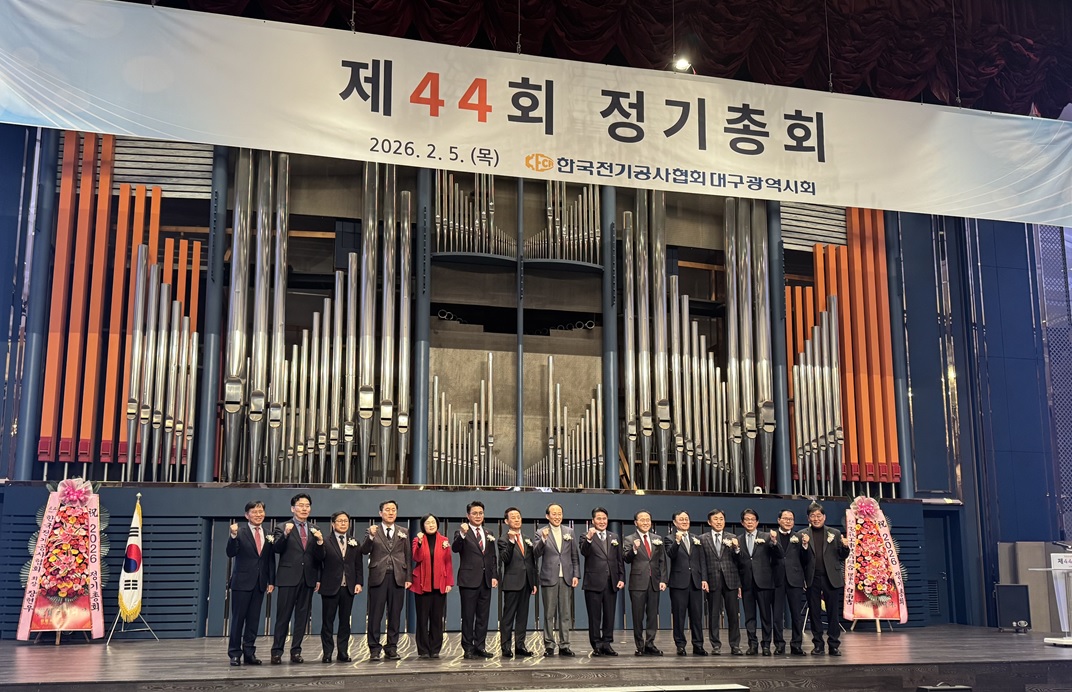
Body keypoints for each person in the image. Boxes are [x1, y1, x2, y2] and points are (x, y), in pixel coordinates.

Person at [270, 493, 325, 664]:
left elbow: (319, 557)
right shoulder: (282, 527)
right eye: (301, 505)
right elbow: (276, 549)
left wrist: (320, 542)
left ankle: (296, 651)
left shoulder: (315, 529)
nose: (304, 509)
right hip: (288, 578)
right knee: (283, 616)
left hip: (307, 578)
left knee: (301, 617)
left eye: (307, 505)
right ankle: (277, 652)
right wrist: (286, 535)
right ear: (293, 508)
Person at [360, 499, 411, 661]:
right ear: (380, 513)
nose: (390, 512)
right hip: (378, 576)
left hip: (398, 576)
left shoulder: (403, 531)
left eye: (393, 510)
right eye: (387, 510)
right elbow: (364, 550)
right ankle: (374, 648)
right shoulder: (372, 530)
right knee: (375, 614)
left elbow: (408, 555)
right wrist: (370, 536)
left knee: (395, 614)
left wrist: (408, 577)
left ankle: (392, 647)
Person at [226, 500, 275, 666]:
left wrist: (271, 580)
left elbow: (269, 560)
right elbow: (230, 552)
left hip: (260, 583)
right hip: (241, 583)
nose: (258, 514)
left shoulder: (268, 534)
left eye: (261, 511)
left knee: (253, 621)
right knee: (238, 620)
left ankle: (249, 653)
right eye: (254, 512)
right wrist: (232, 536)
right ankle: (234, 653)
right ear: (247, 515)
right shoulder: (240, 532)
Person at [532, 502, 579, 657]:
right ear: (547, 516)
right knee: (549, 614)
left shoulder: (569, 532)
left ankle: (564, 645)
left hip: (566, 577)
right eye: (554, 514)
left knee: (565, 613)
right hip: (549, 577)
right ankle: (549, 645)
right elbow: (535, 553)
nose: (557, 516)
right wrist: (543, 539)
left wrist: (576, 574)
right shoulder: (540, 532)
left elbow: (574, 555)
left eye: (559, 513)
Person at [804, 501, 851, 656]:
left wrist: (845, 547)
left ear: (824, 517)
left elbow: (842, 556)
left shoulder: (834, 533)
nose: (816, 518)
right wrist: (804, 546)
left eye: (819, 515)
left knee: (832, 613)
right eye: (813, 516)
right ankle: (818, 644)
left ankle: (834, 645)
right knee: (814, 613)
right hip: (812, 578)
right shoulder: (802, 535)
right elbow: (801, 559)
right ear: (808, 518)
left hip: (831, 577)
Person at [453, 500, 498, 659]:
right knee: (468, 616)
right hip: (468, 580)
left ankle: (480, 646)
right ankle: (468, 648)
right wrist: (462, 534)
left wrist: (494, 575)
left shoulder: (489, 532)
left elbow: (492, 557)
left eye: (480, 513)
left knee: (483, 616)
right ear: (468, 515)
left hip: (485, 580)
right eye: (474, 513)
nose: (478, 516)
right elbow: (455, 548)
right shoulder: (461, 532)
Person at [318, 511, 363, 663]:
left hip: (348, 587)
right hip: (330, 587)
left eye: (345, 521)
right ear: (333, 524)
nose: (343, 524)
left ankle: (343, 652)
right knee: (327, 622)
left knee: (345, 622)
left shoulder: (354, 542)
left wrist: (359, 582)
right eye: (339, 521)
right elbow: (319, 562)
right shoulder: (325, 541)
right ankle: (327, 653)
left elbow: (358, 565)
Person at [579, 506, 624, 657]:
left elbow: (619, 559)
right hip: (593, 582)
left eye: (604, 518)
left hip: (611, 582)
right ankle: (596, 644)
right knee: (594, 616)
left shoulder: (614, 536)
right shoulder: (586, 536)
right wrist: (589, 538)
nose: (602, 521)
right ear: (593, 520)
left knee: (609, 615)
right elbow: (584, 552)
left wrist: (621, 577)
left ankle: (607, 643)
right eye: (599, 518)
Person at [736, 508, 781, 656]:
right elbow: (737, 563)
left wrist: (774, 542)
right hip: (747, 583)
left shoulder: (767, 537)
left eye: (752, 519)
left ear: (757, 522)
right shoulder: (738, 540)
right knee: (749, 617)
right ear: (742, 522)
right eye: (747, 519)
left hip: (764, 582)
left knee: (766, 616)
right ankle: (752, 645)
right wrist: (736, 550)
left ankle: (766, 645)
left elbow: (778, 555)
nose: (750, 522)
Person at [409, 513, 454, 659]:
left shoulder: (444, 541)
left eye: (433, 522)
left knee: (437, 618)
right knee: (422, 619)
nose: (431, 525)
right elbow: (417, 557)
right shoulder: (417, 539)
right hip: (421, 585)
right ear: (423, 525)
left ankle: (435, 649)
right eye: (428, 522)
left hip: (440, 584)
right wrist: (420, 543)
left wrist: (449, 582)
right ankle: (423, 649)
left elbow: (448, 562)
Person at [699, 508, 742, 655]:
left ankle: (735, 645)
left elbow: (738, 561)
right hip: (712, 580)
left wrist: (736, 548)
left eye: (721, 519)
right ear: (709, 522)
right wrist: (704, 579)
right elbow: (702, 562)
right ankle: (715, 645)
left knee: (733, 614)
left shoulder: (732, 537)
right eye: (715, 519)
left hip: (731, 579)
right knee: (713, 614)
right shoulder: (703, 539)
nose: (719, 522)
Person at [624, 509, 666, 656]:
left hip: (654, 581)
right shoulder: (629, 539)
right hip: (637, 582)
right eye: (642, 520)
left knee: (653, 615)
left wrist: (663, 580)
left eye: (648, 520)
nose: (645, 522)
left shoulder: (657, 538)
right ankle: (639, 646)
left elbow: (662, 561)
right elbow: (626, 558)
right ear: (636, 523)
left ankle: (650, 644)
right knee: (638, 616)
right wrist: (634, 549)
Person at [665, 510, 707, 656]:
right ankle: (680, 645)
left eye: (686, 519)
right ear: (675, 522)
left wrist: (704, 579)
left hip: (695, 582)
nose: (684, 521)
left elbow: (702, 560)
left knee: (697, 616)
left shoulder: (696, 538)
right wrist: (677, 541)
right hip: (678, 583)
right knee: (679, 616)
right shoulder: (669, 538)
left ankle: (698, 645)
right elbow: (671, 554)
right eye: (681, 519)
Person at [498, 507, 538, 658]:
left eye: (518, 517)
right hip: (512, 583)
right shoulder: (503, 540)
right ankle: (506, 647)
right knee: (508, 617)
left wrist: (534, 582)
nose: (516, 519)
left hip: (526, 583)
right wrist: (511, 541)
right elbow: (505, 559)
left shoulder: (527, 538)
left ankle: (520, 646)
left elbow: (531, 562)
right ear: (506, 521)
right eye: (513, 517)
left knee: (522, 617)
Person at [772, 508, 811, 656]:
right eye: (785, 518)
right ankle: (779, 645)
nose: (788, 521)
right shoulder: (771, 537)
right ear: (779, 520)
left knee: (796, 615)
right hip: (777, 580)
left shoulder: (800, 537)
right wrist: (773, 543)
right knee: (777, 615)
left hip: (795, 580)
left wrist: (805, 546)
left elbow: (806, 560)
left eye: (791, 519)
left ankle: (796, 645)